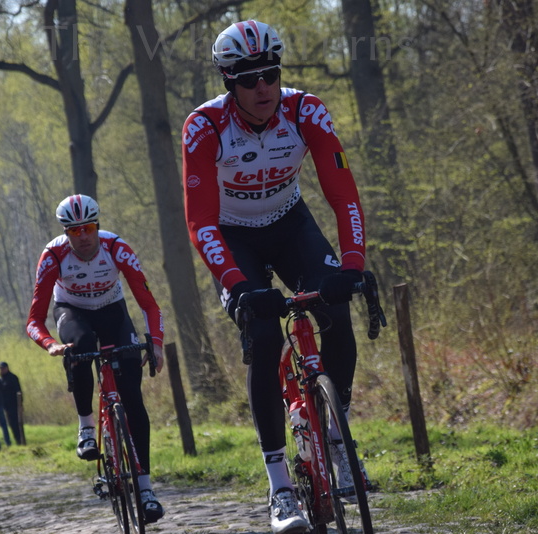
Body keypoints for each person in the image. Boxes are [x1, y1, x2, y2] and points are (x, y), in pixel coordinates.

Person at [182, 20, 378, 534]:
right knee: (266, 336)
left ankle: (337, 439)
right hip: (233, 238)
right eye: (248, 79)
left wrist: (352, 263)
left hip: (291, 223)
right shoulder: (204, 127)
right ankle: (280, 490)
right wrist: (238, 284)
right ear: (228, 82)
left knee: (335, 307)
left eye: (270, 73)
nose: (263, 87)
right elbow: (199, 220)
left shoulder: (304, 109)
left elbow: (343, 193)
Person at [26, 194, 166, 524]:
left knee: (133, 398)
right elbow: (34, 319)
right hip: (73, 312)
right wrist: (49, 345)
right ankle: (86, 426)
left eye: (88, 228)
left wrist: (156, 345)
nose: (83, 236)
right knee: (82, 343)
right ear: (66, 233)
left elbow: (149, 305)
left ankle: (145, 490)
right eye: (75, 231)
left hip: (112, 311)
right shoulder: (53, 256)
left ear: (97, 226)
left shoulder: (117, 248)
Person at [0, 362, 23, 445]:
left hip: (14, 404)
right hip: (6, 406)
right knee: (11, 424)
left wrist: (20, 405)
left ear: (7, 368)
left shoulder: (13, 377)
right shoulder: (1, 379)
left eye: (3, 368)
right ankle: (17, 440)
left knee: (17, 423)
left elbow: (18, 391)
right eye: (0, 368)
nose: (1, 370)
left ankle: (21, 440)